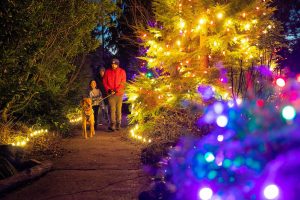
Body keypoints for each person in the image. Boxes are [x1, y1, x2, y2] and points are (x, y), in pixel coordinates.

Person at [103, 58, 126, 131]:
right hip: (111, 94)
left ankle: (118, 124)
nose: (113, 65)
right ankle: (113, 124)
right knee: (112, 109)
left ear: (117, 64)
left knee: (118, 109)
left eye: (115, 64)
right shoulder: (107, 72)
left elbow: (123, 83)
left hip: (119, 94)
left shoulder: (122, 72)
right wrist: (109, 90)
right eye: (112, 64)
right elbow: (105, 82)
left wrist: (116, 90)